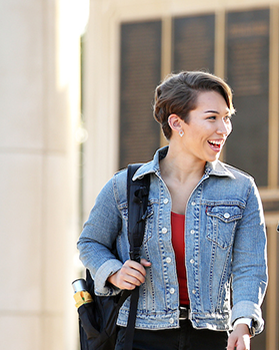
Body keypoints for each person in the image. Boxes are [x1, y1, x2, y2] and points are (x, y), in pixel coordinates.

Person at [77, 71, 268, 350]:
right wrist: (114, 272)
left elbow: (250, 267)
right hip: (139, 334)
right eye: (212, 117)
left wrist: (242, 321)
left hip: (212, 335)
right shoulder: (125, 186)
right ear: (177, 123)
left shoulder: (241, 189)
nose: (224, 128)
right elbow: (90, 242)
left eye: (227, 118)